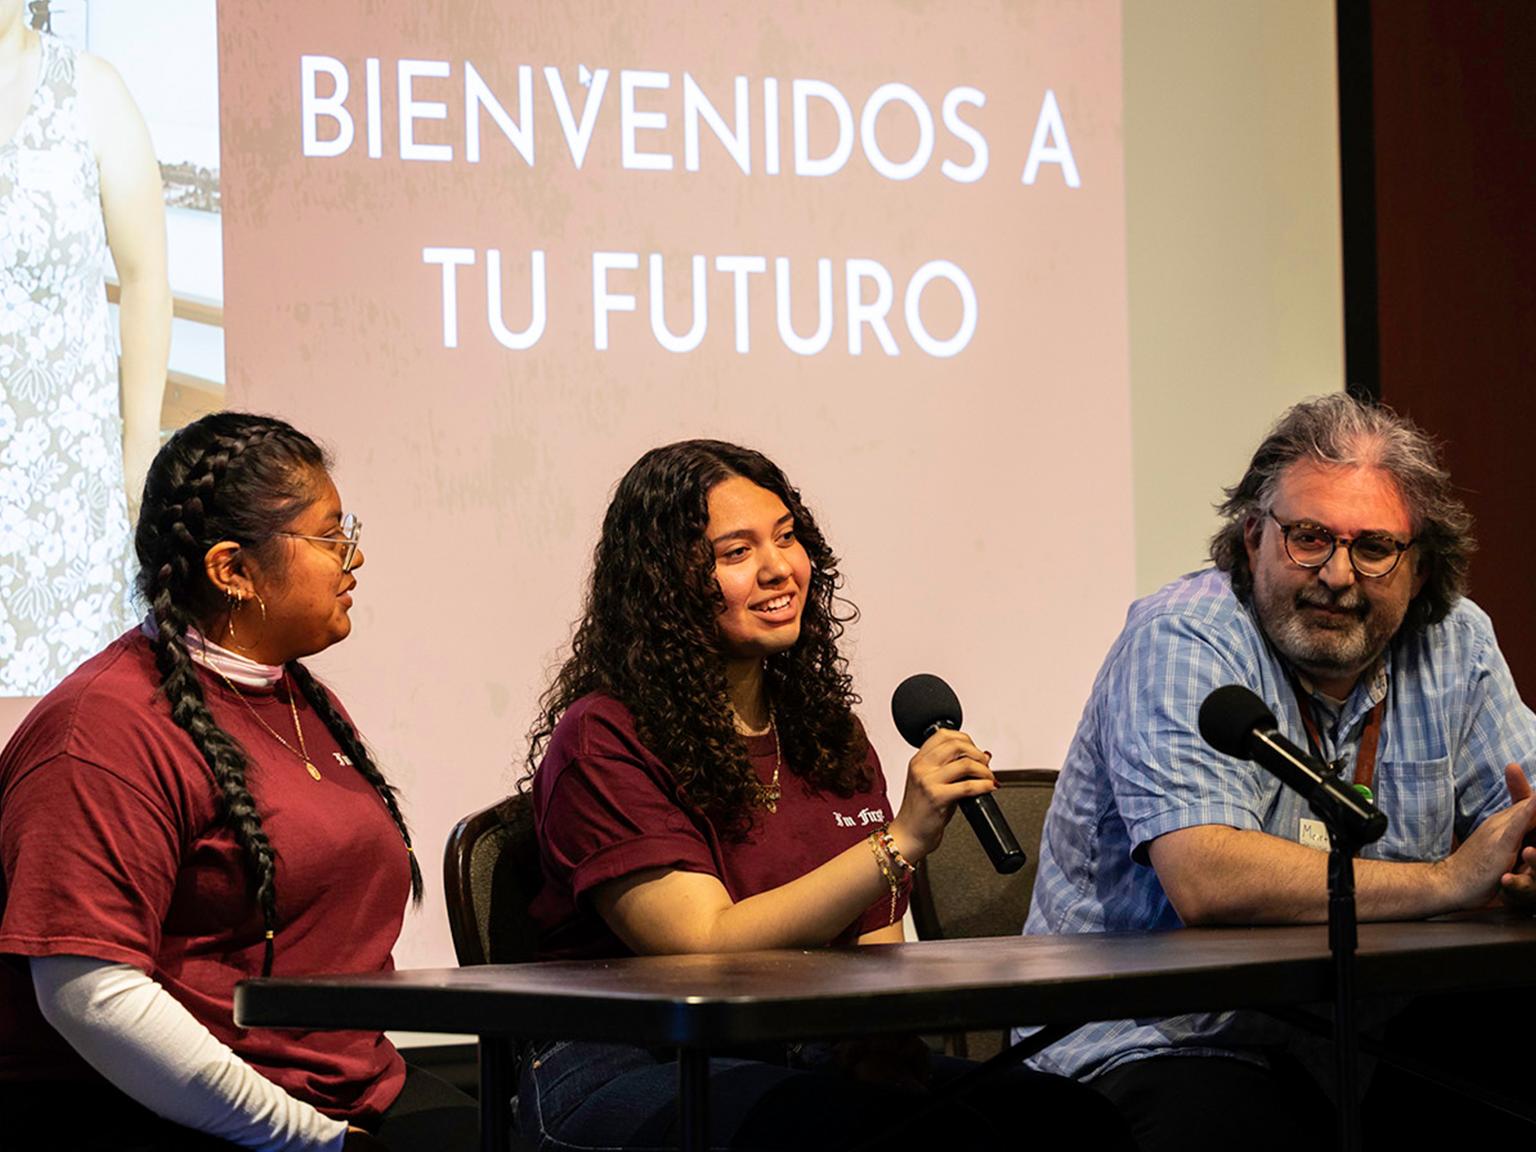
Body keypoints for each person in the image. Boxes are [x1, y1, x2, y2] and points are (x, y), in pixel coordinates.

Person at [519, 439, 1133, 1151]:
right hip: (630, 1062)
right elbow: (699, 948)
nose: (780, 567)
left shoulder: (823, 731)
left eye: (786, 537)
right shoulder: (604, 736)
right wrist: (898, 842)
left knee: (1070, 1122)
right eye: (737, 551)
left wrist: (882, 1042)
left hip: (801, 1050)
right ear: (665, 584)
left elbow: (873, 942)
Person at [1024, 392, 1536, 1150]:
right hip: (1161, 1039)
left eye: (1372, 548)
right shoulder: (1183, 639)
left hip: (1360, 1039)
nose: (1336, 575)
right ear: (1252, 536)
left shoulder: (1456, 643)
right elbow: (1207, 876)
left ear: (1420, 567)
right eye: (1307, 538)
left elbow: (1520, 811)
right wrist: (1449, 880)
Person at [0, 413, 476, 1151]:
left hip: (351, 1089)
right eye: (329, 537)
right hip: (186, 1114)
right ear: (232, 570)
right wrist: (309, 1138)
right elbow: (88, 993)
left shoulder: (294, 695)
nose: (353, 558)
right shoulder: (103, 729)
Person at [0, 0, 171, 697]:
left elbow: (145, 281)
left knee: (68, 734)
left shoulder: (91, 91)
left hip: (67, 495)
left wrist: (136, 467)